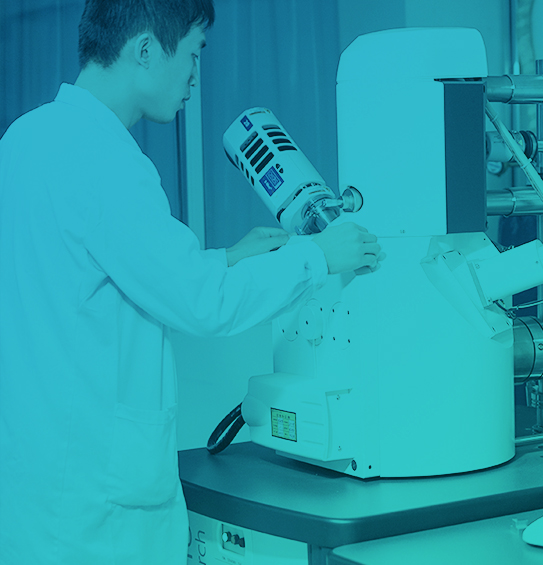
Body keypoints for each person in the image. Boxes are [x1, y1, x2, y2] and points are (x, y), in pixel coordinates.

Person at [0, 1, 382, 563]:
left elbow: (94, 274)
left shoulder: (24, 139)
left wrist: (225, 258)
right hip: (97, 510)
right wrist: (318, 257)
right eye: (193, 54)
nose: (194, 77)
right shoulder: (108, 161)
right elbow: (204, 305)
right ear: (146, 50)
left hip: (34, 491)